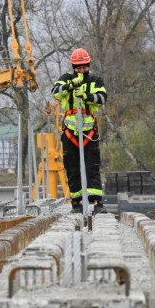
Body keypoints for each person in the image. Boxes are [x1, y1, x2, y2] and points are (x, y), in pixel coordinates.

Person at [52, 48, 108, 213]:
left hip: (89, 132)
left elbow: (102, 98)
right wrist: (69, 87)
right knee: (72, 168)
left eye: (84, 67)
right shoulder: (65, 79)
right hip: (70, 132)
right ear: (73, 67)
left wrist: (86, 96)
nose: (82, 70)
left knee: (92, 166)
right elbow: (56, 93)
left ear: (88, 66)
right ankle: (76, 202)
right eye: (78, 67)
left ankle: (96, 201)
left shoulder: (96, 80)